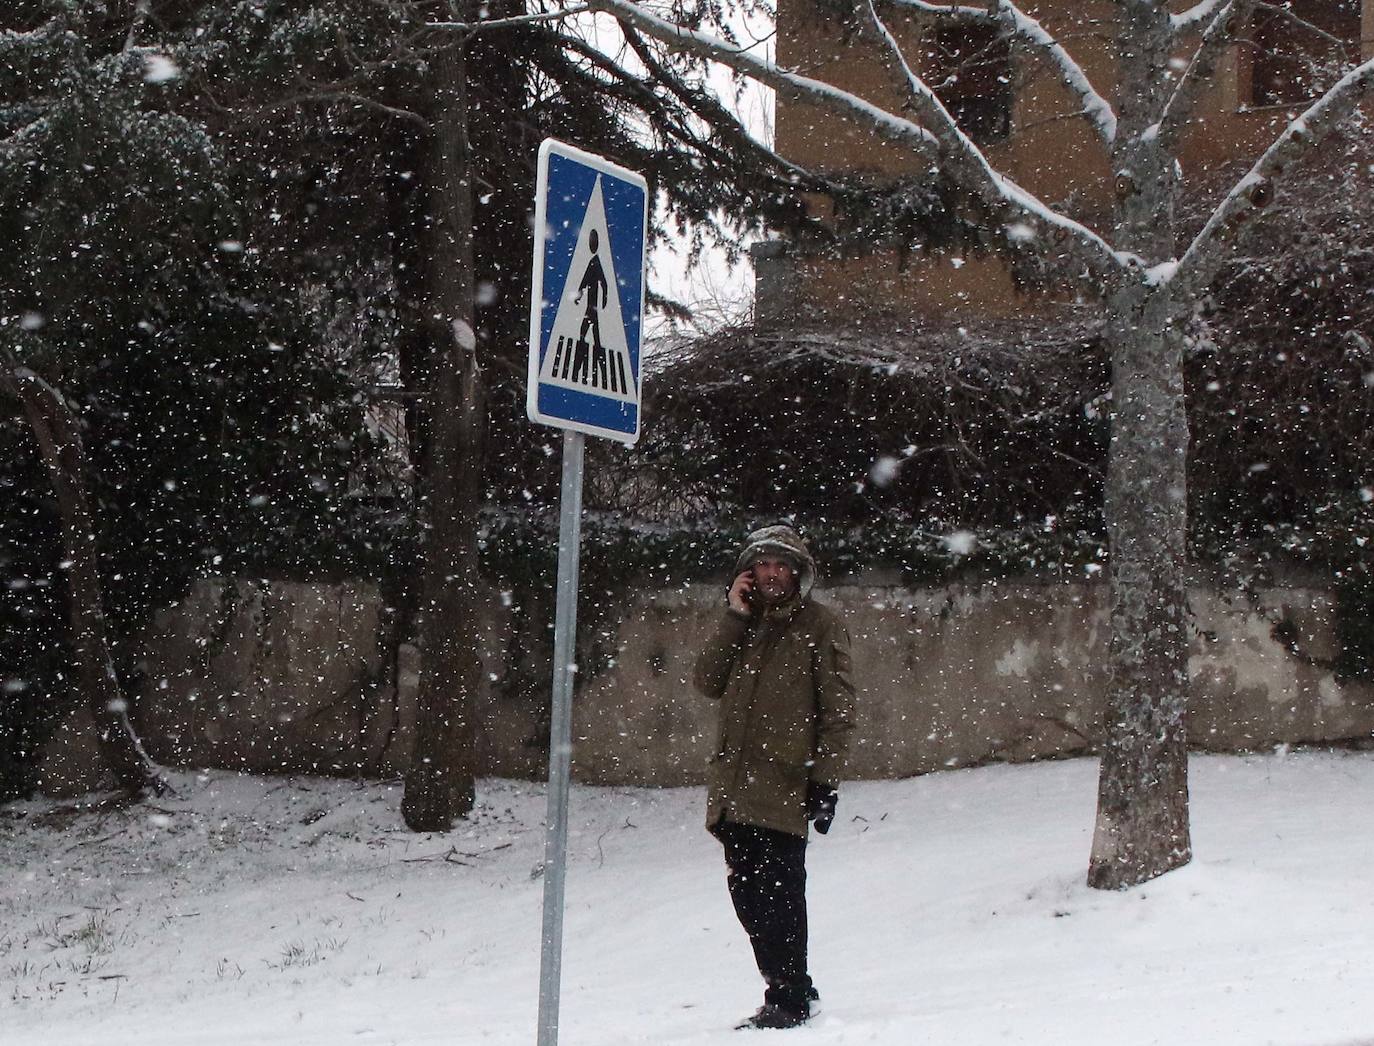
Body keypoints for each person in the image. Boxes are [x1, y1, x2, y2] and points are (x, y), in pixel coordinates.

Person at [693, 524, 855, 1030]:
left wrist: (824, 781)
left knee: (781, 896)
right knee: (747, 898)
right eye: (762, 564)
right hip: (733, 792)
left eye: (780, 565)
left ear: (797, 572)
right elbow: (706, 681)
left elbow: (839, 710)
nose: (771, 574)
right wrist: (733, 617)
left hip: (785, 786)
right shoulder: (743, 624)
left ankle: (788, 998)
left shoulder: (820, 625)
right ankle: (790, 988)